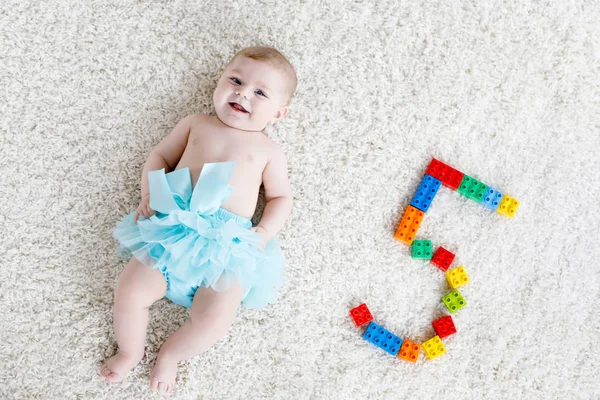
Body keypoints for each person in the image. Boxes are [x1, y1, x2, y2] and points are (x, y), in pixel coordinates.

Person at [100, 46, 296, 393]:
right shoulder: (195, 124)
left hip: (226, 246)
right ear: (219, 81)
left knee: (216, 317)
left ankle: (171, 355)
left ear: (278, 113)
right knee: (128, 291)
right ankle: (130, 351)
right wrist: (148, 194)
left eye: (259, 92)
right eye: (235, 80)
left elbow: (281, 197)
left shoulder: (268, 150)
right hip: (172, 227)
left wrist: (264, 232)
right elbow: (160, 155)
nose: (242, 93)